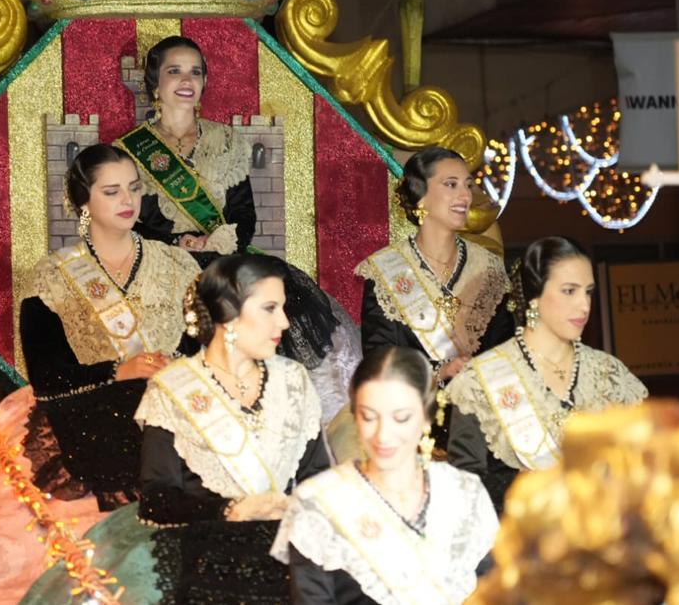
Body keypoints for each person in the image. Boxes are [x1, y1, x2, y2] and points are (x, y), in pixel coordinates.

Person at [0, 144, 199, 602]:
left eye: (134, 189)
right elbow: (46, 370)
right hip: (85, 412)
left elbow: (205, 339)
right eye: (111, 191)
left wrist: (177, 364)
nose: (127, 201)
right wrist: (120, 369)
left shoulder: (177, 264)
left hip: (178, 407)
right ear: (83, 203)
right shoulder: (53, 275)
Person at [22, 254, 330, 604]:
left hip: (291, 546)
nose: (286, 323)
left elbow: (319, 475)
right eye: (270, 309)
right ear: (229, 314)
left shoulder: (293, 380)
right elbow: (158, 500)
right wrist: (233, 511)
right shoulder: (173, 389)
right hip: (207, 550)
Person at [117, 35, 359, 424]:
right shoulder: (129, 151)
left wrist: (216, 239)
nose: (186, 80)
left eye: (195, 72)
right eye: (174, 71)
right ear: (155, 84)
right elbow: (129, 221)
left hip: (225, 260)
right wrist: (179, 241)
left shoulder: (226, 140)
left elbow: (245, 213)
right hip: (161, 265)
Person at [271, 346, 499, 604]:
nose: (383, 435)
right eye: (369, 417)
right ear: (354, 415)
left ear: (426, 416)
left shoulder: (464, 492)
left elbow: (493, 591)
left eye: (401, 418)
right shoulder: (319, 503)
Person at [445, 236, 647, 512]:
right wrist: (523, 486)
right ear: (535, 297)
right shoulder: (480, 381)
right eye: (569, 291)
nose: (584, 306)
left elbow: (641, 466)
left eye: (588, 292)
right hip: (519, 542)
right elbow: (463, 485)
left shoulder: (610, 374)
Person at [347, 147, 513, 455]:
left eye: (468, 185)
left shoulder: (488, 268)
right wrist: (440, 372)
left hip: (482, 429)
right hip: (411, 428)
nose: (465, 195)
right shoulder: (386, 270)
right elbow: (380, 360)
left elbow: (504, 350)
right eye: (451, 184)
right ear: (421, 196)